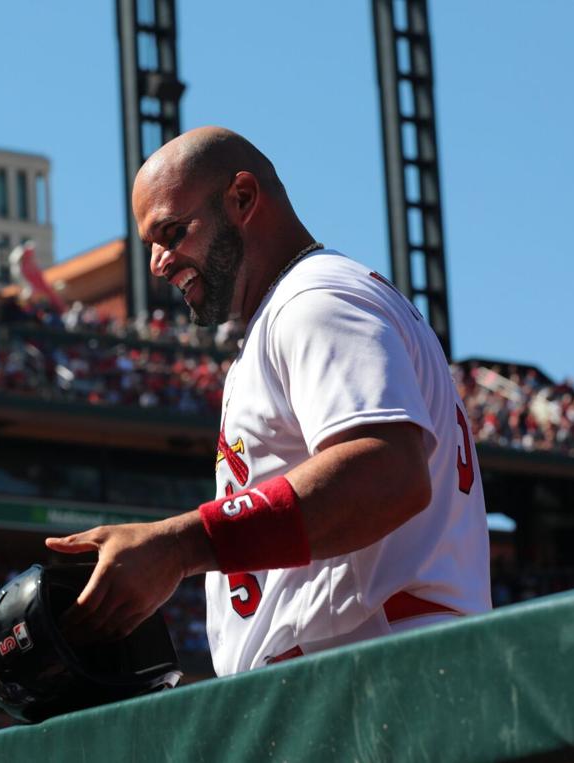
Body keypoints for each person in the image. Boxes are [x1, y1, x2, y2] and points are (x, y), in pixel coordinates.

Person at [45, 126, 491, 676]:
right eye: (152, 243)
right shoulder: (297, 306)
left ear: (242, 199)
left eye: (173, 231)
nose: (159, 261)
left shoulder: (315, 300)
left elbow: (387, 472)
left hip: (375, 667)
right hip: (365, 666)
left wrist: (179, 546)